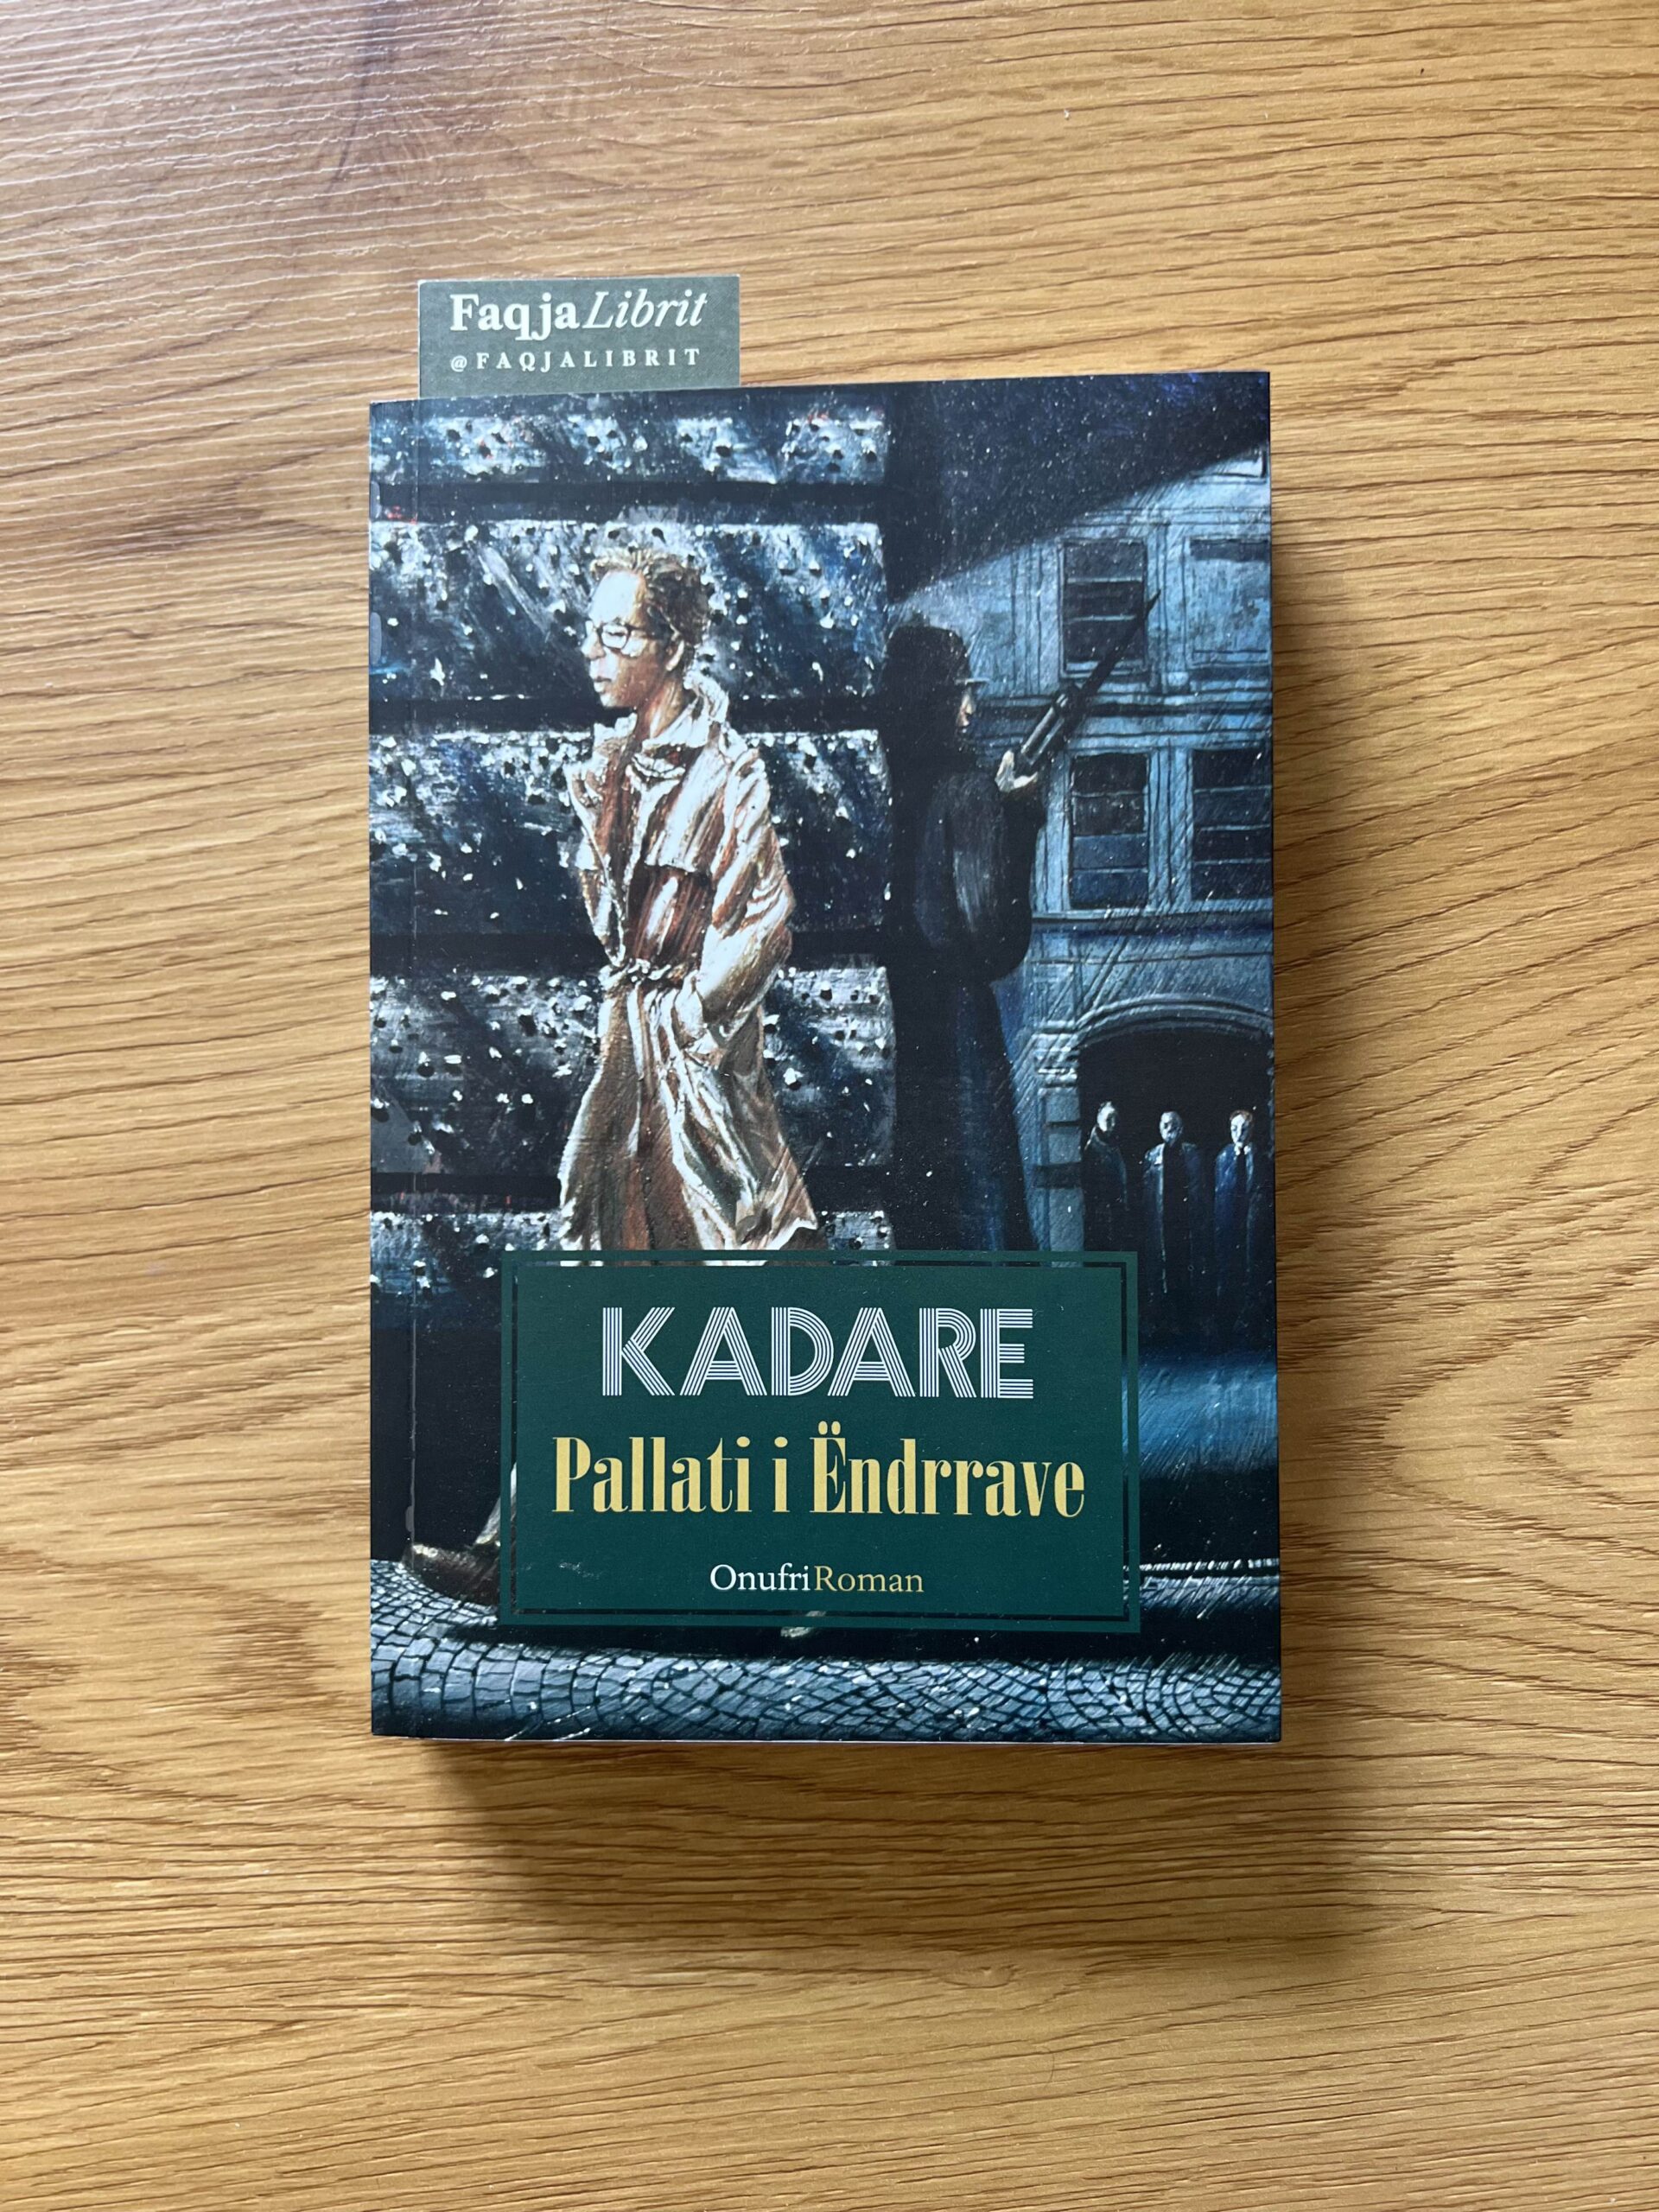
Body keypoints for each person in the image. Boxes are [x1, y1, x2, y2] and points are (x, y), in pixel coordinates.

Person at [557, 544, 819, 1251]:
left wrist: (691, 1012)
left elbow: (766, 921)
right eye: (593, 632)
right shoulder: (607, 769)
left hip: (701, 1059)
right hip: (628, 1047)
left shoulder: (729, 773)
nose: (593, 652)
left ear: (671, 648)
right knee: (607, 1223)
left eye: (618, 634)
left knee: (722, 1231)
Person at [880, 621, 1044, 1249]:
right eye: (959, 694)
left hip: (906, 1024)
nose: (972, 709)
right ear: (936, 701)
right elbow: (997, 940)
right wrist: (1018, 819)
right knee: (980, 1208)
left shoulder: (891, 783)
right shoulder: (967, 790)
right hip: (958, 1032)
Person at [1141, 1109, 1208, 1339]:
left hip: (1186, 1224)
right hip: (1162, 1225)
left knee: (1186, 1271)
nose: (1170, 1130)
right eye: (1166, 1126)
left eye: (1175, 1125)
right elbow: (1147, 1196)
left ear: (1182, 1128)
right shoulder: (1152, 1156)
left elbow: (1201, 1191)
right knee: (1162, 1272)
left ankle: (1187, 1321)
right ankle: (1163, 1323)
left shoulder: (1193, 1154)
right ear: (1160, 1129)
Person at [1213, 1108, 1274, 1343]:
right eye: (1234, 1129)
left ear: (1252, 1130)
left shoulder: (1261, 1159)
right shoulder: (1223, 1158)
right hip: (1229, 1225)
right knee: (1229, 1275)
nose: (1238, 1133)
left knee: (1254, 1275)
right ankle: (1226, 1331)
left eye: (1244, 1129)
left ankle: (1254, 1330)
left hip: (1253, 1226)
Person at [1082, 1099, 1133, 1252]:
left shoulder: (1116, 1146)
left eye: (1116, 1119)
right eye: (1109, 1119)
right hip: (1100, 1216)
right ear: (1099, 1120)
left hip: (1117, 1214)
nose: (1113, 1124)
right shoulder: (1092, 1150)